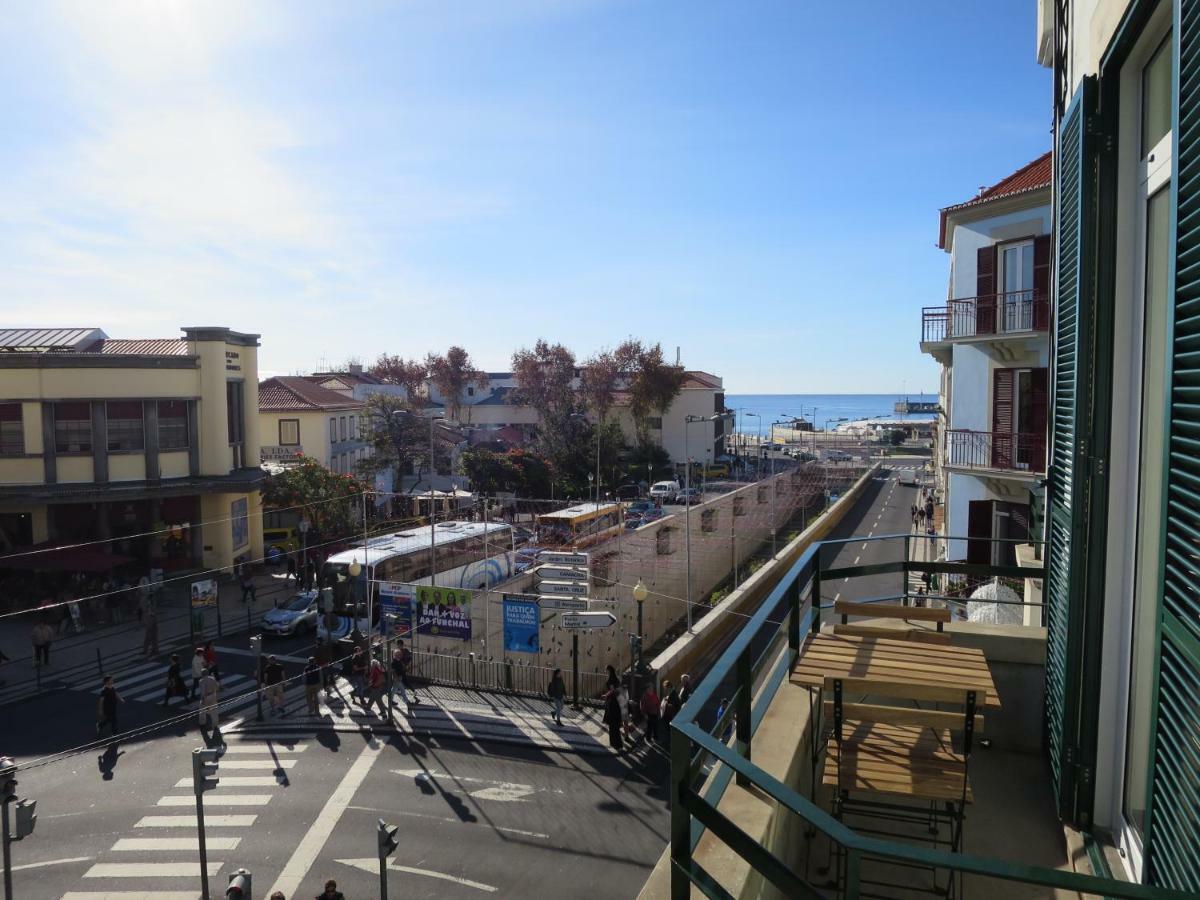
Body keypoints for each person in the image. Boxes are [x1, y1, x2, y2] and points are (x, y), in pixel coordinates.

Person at [198, 667, 223, 746]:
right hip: (213, 695)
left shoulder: (201, 681)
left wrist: (203, 700)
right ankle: (215, 725)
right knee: (214, 711)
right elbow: (217, 687)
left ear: (202, 674)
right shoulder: (212, 679)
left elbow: (203, 692)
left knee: (202, 711)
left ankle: (202, 723)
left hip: (206, 697)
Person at [391, 647, 413, 714]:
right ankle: (407, 702)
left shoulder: (399, 661)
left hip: (399, 677)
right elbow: (393, 671)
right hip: (397, 678)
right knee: (402, 690)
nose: (400, 655)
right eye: (398, 654)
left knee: (394, 689)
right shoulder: (394, 662)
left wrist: (406, 669)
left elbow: (402, 669)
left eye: (400, 654)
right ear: (395, 655)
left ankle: (390, 700)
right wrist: (396, 677)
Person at [603, 687, 624, 752]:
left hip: (612, 716)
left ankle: (614, 744)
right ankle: (618, 745)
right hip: (614, 716)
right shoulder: (614, 695)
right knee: (615, 730)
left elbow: (607, 706)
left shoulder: (610, 695)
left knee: (613, 730)